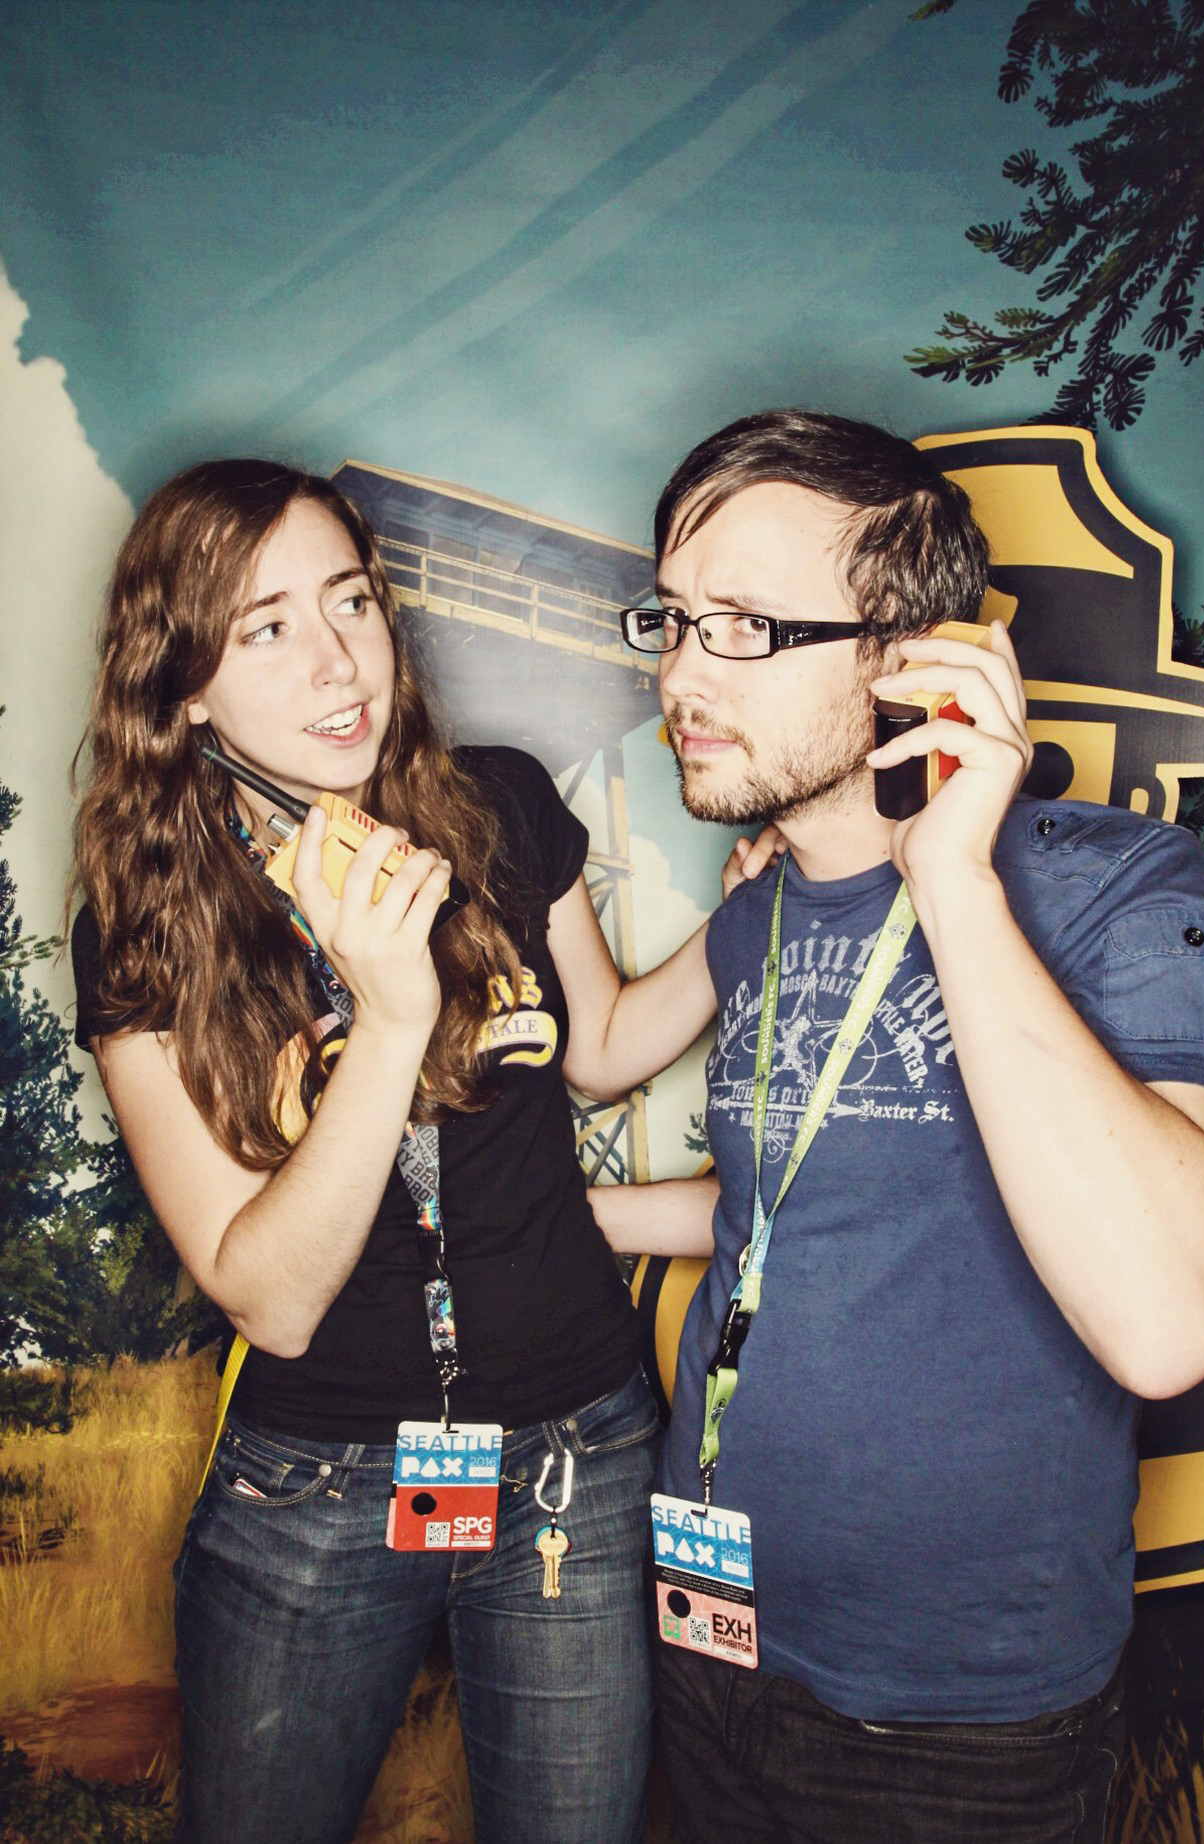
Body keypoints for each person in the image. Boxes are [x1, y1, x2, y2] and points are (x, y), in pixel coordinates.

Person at [69, 459, 762, 1844]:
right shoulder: (149, 927)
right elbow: (269, 1297)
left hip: (577, 1452)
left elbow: (599, 1045)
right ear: (183, 685)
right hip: (317, 1482)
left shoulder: (495, 805)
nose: (338, 662)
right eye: (266, 627)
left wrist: (748, 911)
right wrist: (390, 1020)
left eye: (350, 602)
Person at [603, 409, 1204, 1844]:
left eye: (746, 627)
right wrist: (561, 1217)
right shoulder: (755, 912)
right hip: (712, 1641)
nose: (681, 676)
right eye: (675, 619)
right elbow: (795, 1194)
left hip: (958, 1725)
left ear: (910, 659)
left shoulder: (1121, 887)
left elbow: (1168, 1327)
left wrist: (949, 876)